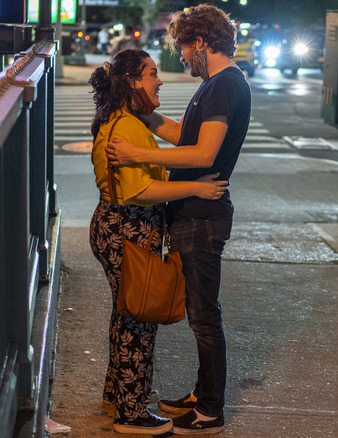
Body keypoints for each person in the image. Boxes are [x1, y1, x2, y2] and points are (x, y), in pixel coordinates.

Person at [105, 4, 251, 435]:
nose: (182, 57)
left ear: (201, 42)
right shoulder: (215, 85)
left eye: (185, 47)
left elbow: (203, 154)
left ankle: (210, 411)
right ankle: (201, 394)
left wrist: (137, 153)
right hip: (196, 214)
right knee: (200, 313)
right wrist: (139, 109)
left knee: (204, 317)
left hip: (203, 217)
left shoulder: (223, 86)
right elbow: (182, 134)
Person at [88, 49, 228, 435]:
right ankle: (131, 416)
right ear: (133, 81)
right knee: (139, 320)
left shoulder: (124, 118)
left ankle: (118, 396)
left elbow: (167, 149)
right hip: (127, 230)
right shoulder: (127, 127)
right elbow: (142, 189)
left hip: (115, 227)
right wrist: (197, 187)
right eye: (152, 74)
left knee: (127, 313)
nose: (160, 79)